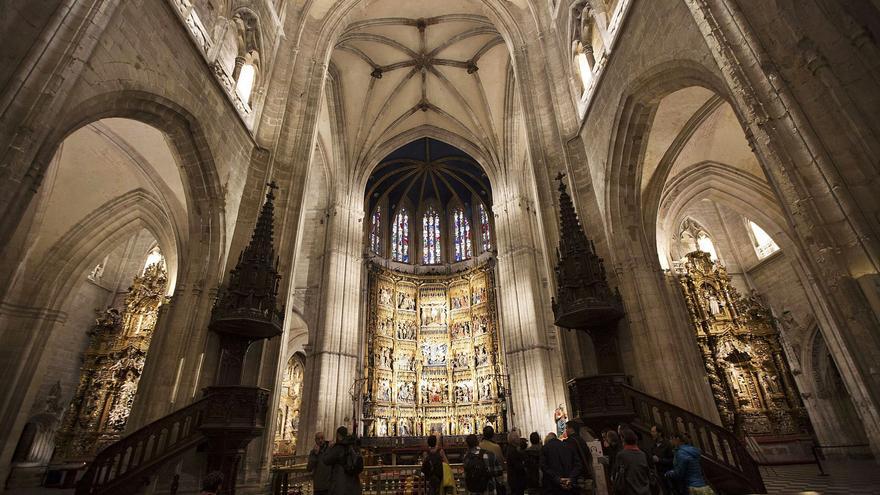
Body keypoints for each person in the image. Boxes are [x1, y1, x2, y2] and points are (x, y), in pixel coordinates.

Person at [323, 426, 363, 495]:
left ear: (338, 435)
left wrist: (329, 448)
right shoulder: (354, 446)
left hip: (341, 484)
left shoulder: (339, 447)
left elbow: (326, 460)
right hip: (354, 484)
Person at [541, 426, 581, 494]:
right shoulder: (569, 446)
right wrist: (571, 478)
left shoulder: (545, 448)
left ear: (547, 440)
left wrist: (558, 479)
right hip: (570, 487)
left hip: (553, 487)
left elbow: (544, 467)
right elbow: (578, 464)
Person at [612, 429, 651, 495]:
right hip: (645, 490)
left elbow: (617, 474)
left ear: (623, 440)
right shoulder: (642, 454)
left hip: (631, 490)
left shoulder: (621, 455)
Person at [646, 426, 674, 495]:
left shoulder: (667, 444)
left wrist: (659, 460)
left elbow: (672, 460)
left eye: (653, 432)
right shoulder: (653, 445)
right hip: (656, 475)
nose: (651, 433)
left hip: (666, 475)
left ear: (659, 433)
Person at [480, 425, 506, 493]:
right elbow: (501, 465)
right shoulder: (496, 447)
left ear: (483, 434)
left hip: (482, 479)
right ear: (493, 435)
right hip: (494, 480)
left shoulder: (479, 446)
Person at [505, 430, 527, 495]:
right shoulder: (513, 451)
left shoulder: (512, 449)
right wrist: (524, 464)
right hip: (516, 480)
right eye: (518, 438)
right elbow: (518, 466)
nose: (519, 439)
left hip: (515, 479)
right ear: (514, 440)